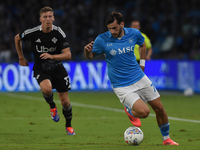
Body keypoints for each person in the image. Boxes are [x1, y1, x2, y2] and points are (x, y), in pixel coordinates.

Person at [84, 11, 178, 145]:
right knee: (144, 112)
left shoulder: (133, 34)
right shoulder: (102, 39)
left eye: (115, 28)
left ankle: (166, 139)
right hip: (122, 85)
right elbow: (91, 56)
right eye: (109, 28)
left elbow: (143, 44)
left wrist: (143, 64)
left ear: (122, 24)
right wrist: (87, 52)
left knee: (159, 108)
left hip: (139, 77)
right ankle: (129, 110)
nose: (112, 31)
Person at [14, 6, 75, 135]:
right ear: (40, 19)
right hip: (41, 68)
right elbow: (17, 38)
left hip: (57, 68)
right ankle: (52, 106)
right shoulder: (33, 32)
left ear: (53, 18)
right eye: (45, 17)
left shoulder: (58, 32)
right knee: (47, 88)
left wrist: (52, 56)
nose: (48, 19)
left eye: (50, 16)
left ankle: (68, 126)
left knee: (65, 102)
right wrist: (21, 57)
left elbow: (68, 54)